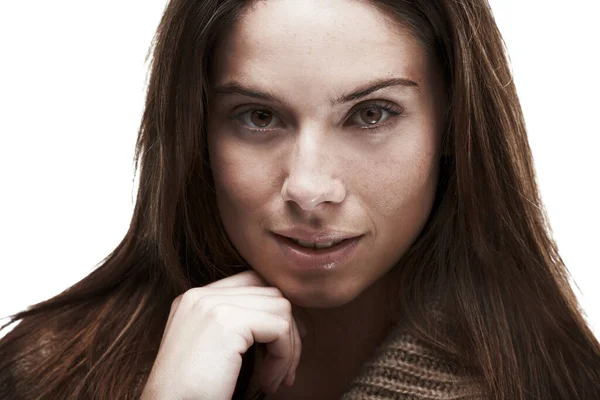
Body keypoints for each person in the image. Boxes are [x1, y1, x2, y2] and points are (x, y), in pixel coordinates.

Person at [1, 0, 599, 398]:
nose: (310, 187)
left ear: (454, 126)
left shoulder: (566, 384)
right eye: (258, 117)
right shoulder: (37, 376)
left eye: (371, 114)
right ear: (197, 133)